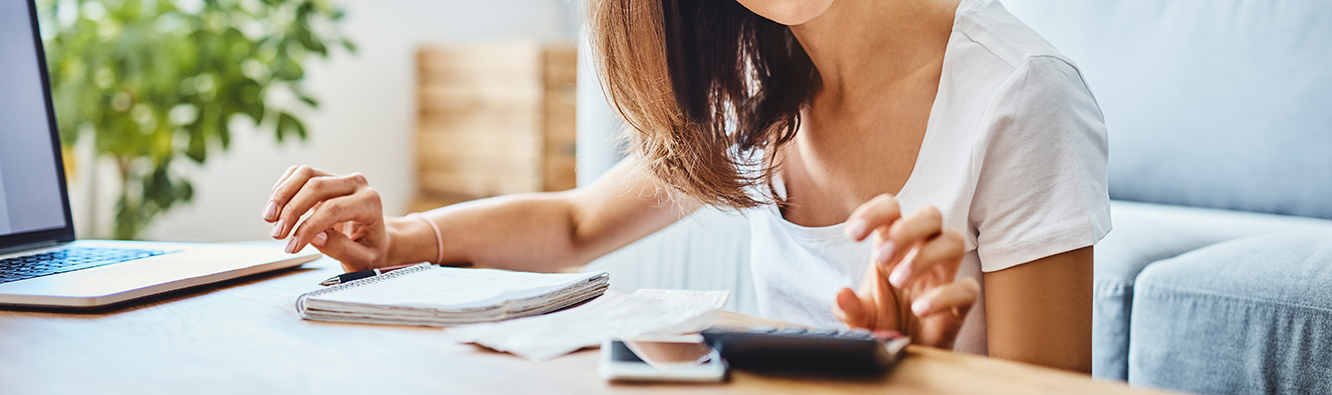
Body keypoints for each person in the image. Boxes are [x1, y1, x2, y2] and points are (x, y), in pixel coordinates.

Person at [261, 0, 1108, 373]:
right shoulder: (761, 80)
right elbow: (577, 225)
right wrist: (400, 239)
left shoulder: (1018, 91)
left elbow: (1049, 388)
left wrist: (918, 364)